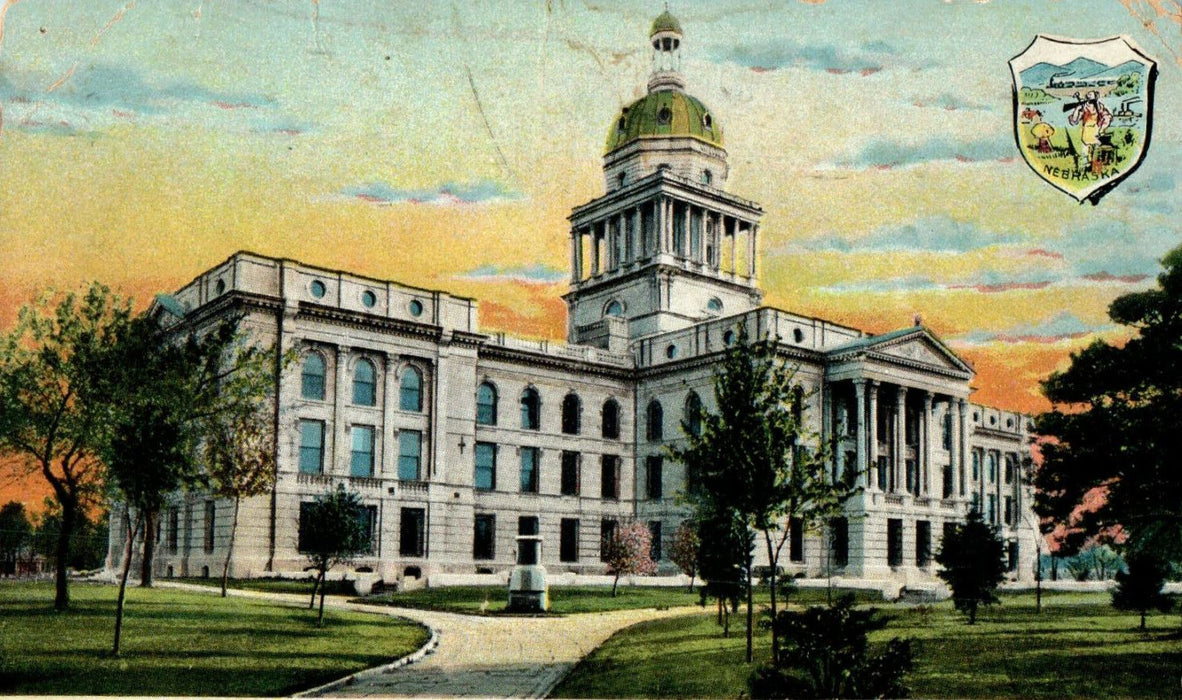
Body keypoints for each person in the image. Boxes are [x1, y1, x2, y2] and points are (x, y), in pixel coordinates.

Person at [1067, 90, 1112, 171]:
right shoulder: (1083, 106)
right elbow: (1074, 120)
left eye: (1091, 95)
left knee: (1097, 150)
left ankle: (1096, 167)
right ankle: (1085, 167)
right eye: (1089, 95)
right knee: (1085, 151)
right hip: (1087, 132)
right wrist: (1077, 109)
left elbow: (1106, 117)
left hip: (1096, 131)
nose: (1089, 95)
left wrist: (1102, 128)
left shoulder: (1099, 106)